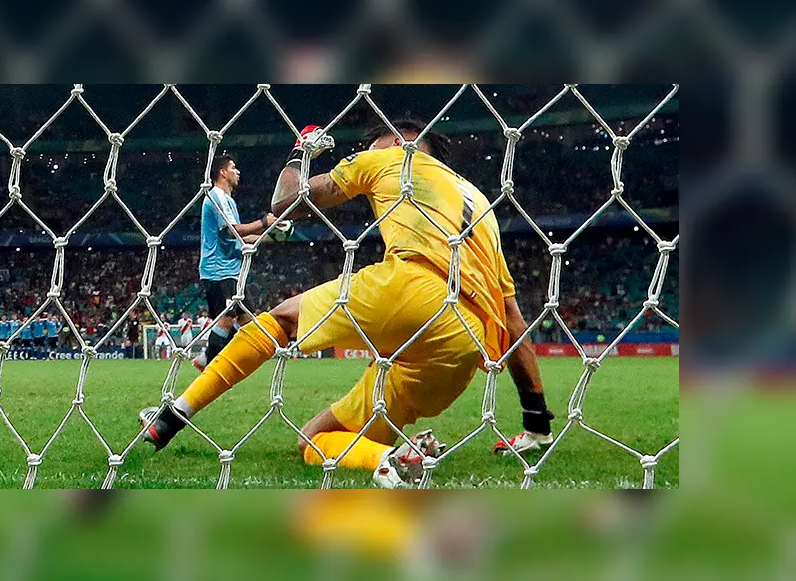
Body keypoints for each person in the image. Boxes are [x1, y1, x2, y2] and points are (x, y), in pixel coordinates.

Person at [140, 121, 555, 487]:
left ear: (398, 140)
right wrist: (536, 420)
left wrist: (300, 151)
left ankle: (175, 414)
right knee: (312, 441)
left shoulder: (390, 158)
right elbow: (514, 320)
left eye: (374, 143)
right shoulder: (483, 207)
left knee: (282, 319)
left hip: (411, 289)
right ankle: (388, 458)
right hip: (461, 349)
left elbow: (286, 201)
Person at [190, 154, 278, 372]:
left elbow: (240, 237)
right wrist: (263, 221)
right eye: (233, 167)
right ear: (222, 172)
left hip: (232, 270)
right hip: (218, 270)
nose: (237, 171)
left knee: (246, 319)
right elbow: (232, 230)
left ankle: (212, 358)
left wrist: (272, 235)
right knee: (228, 318)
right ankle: (210, 363)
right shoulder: (216, 196)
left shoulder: (228, 200)